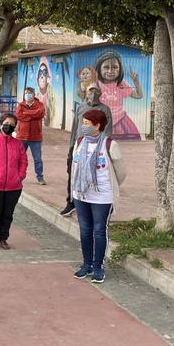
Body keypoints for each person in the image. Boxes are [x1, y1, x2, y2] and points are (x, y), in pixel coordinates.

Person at [70, 109, 126, 284]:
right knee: (85, 230)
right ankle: (86, 264)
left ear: (98, 125)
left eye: (87, 124)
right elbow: (75, 166)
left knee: (99, 231)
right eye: (83, 123)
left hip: (102, 196)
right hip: (81, 194)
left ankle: (98, 266)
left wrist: (107, 185)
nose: (83, 127)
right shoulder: (80, 142)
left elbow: (121, 172)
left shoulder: (109, 145)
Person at [61, 84, 114, 217]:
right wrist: (71, 146)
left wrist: (104, 148)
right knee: (73, 174)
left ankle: (104, 203)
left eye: (96, 90)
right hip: (79, 147)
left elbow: (107, 131)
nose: (93, 93)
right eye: (91, 90)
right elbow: (75, 128)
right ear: (86, 92)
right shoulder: (81, 107)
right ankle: (71, 202)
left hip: (97, 148)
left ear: (100, 93)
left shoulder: (105, 109)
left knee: (98, 174)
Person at [0, 114, 27, 250]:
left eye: (12, 124)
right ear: (2, 124)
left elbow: (23, 161)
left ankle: (3, 238)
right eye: (6, 123)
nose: (9, 125)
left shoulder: (18, 144)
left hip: (13, 187)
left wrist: (20, 176)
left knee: (7, 214)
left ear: (15, 127)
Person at [94, 50, 143, 140]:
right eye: (106, 67)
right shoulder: (97, 84)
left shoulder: (120, 84)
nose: (110, 71)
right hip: (102, 122)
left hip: (121, 121)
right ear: (99, 69)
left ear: (120, 69)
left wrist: (136, 82)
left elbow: (139, 95)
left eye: (114, 67)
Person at [15, 86, 46, 185]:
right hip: (21, 136)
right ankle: (16, 176)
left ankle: (40, 177)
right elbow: (19, 116)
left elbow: (40, 113)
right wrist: (32, 116)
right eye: (26, 93)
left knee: (37, 158)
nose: (27, 95)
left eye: (29, 93)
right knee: (18, 157)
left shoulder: (40, 104)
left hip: (35, 137)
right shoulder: (21, 105)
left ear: (33, 94)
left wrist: (26, 113)